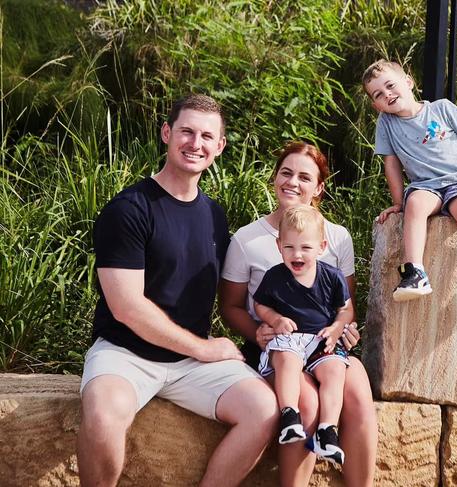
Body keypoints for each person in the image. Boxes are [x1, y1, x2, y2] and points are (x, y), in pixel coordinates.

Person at [76, 94, 278, 487]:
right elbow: (127, 307)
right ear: (167, 133)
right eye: (186, 131)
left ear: (219, 147)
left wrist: (280, 323)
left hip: (190, 365)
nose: (195, 143)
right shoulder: (130, 209)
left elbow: (241, 292)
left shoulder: (214, 216)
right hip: (126, 352)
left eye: (207, 136)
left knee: (264, 409)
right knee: (103, 414)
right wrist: (203, 348)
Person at [220, 141, 378, 487]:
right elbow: (229, 306)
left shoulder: (336, 238)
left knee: (357, 397)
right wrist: (258, 329)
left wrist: (345, 329)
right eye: (286, 173)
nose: (293, 182)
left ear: (319, 187)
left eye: (304, 177)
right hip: (278, 346)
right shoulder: (247, 240)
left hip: (325, 345)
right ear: (275, 178)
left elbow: (345, 304)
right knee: (306, 402)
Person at [362, 59, 457, 316]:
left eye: (390, 85)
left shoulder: (442, 109)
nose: (387, 94)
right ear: (375, 104)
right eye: (378, 94)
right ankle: (415, 272)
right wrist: (399, 202)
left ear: (409, 82)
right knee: (415, 205)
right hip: (426, 186)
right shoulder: (387, 124)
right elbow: (391, 166)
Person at [254, 205, 353, 465]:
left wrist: (337, 327)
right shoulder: (274, 277)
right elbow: (259, 305)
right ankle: (289, 415)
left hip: (321, 339)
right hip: (290, 338)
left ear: (321, 247)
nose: (297, 254)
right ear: (279, 246)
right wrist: (274, 319)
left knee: (335, 371)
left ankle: (327, 431)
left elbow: (346, 309)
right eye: (289, 247)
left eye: (305, 248)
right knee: (287, 360)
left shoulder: (331, 277)